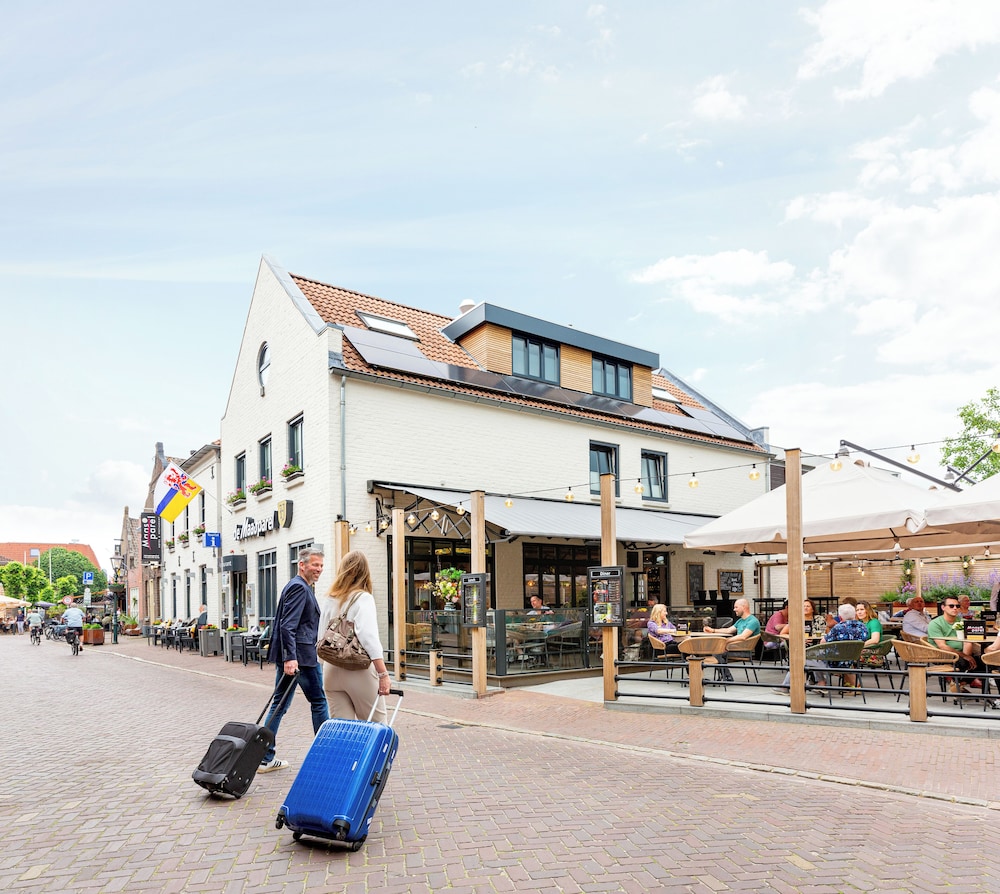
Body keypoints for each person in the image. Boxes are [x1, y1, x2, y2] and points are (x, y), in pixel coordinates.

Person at [259, 546, 330, 773]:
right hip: (301, 659)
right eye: (315, 565)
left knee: (279, 705)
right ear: (302, 565)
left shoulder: (298, 586)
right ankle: (325, 753)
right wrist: (291, 658)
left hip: (295, 657)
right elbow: (288, 626)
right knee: (319, 702)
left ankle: (264, 757)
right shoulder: (300, 588)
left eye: (320, 565)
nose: (319, 569)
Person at [318, 550, 392, 723]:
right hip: (357, 670)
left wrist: (323, 665)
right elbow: (368, 638)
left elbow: (321, 636)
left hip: (330, 669)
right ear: (364, 572)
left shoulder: (329, 598)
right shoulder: (363, 598)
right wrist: (383, 674)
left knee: (342, 731)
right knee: (376, 726)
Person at [929, 597, 985, 692]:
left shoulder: (961, 621)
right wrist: (965, 656)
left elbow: (970, 637)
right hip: (943, 655)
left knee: (985, 661)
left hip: (961, 653)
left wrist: (968, 654)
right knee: (967, 662)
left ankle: (958, 684)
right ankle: (957, 684)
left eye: (957, 606)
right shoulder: (935, 623)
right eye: (951, 606)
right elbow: (942, 646)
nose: (955, 608)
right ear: (943, 607)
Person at [703, 598, 761, 682]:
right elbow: (728, 630)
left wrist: (726, 641)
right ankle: (726, 676)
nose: (734, 610)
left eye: (736, 607)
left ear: (744, 607)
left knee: (717, 651)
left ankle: (727, 676)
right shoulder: (740, 621)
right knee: (716, 650)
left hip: (744, 650)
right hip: (736, 647)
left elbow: (743, 637)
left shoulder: (753, 621)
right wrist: (713, 630)